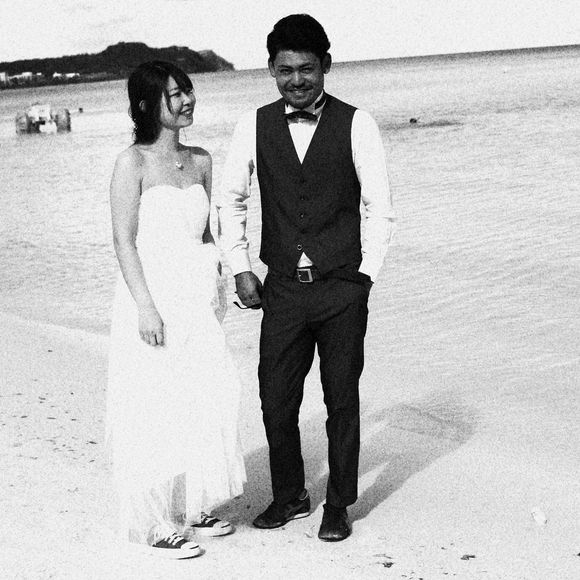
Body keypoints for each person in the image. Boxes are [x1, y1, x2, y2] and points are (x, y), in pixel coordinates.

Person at [217, 15, 396, 542]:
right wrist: (240, 266)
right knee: (275, 399)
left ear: (326, 66)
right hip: (282, 290)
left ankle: (338, 503)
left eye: (307, 69)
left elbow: (380, 207)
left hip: (342, 287)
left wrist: (365, 276)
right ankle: (290, 494)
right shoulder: (252, 125)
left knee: (341, 399)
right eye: (285, 70)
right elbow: (230, 200)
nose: (296, 80)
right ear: (271, 70)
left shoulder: (358, 124)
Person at [107, 60, 246, 559]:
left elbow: (206, 233)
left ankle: (191, 507)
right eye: (175, 94)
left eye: (188, 90)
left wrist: (220, 281)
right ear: (148, 105)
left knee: (207, 395)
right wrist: (146, 308)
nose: (187, 100)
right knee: (155, 404)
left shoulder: (201, 159)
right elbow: (124, 241)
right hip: (153, 296)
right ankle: (153, 523)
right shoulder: (133, 163)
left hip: (196, 296)